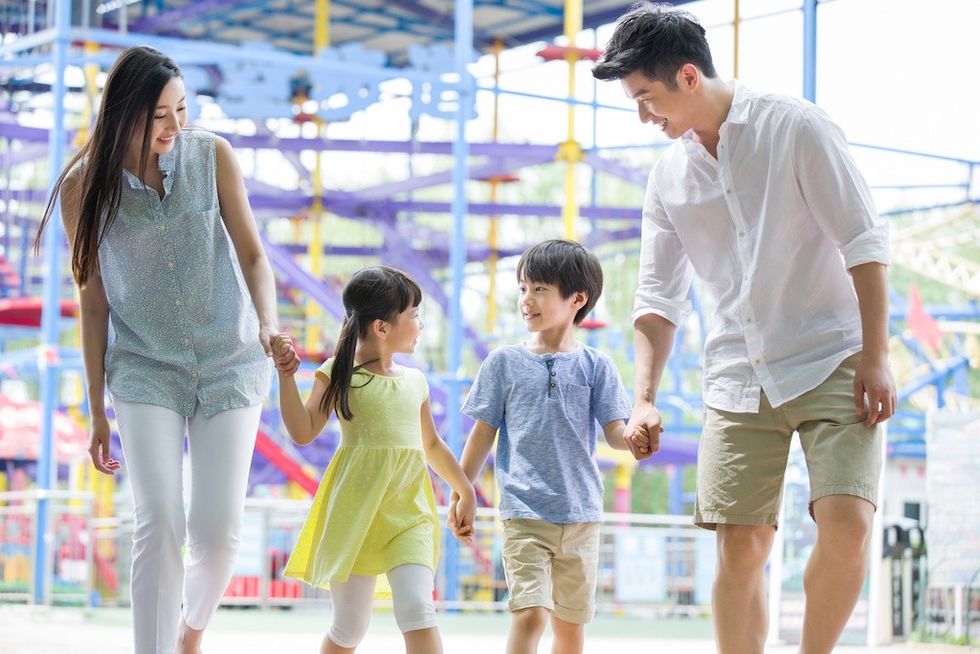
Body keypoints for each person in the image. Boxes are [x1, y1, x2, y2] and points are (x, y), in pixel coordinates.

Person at [592, 5, 897, 653]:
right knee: (741, 548)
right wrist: (643, 397)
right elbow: (657, 298)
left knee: (846, 522)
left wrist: (878, 355)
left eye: (647, 98)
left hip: (833, 357)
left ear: (688, 76)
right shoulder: (668, 176)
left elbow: (864, 243)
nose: (644, 117)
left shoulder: (798, 129)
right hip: (735, 374)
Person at [34, 46, 297, 653]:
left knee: (218, 533)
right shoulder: (82, 190)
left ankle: (191, 631)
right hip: (144, 367)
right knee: (159, 523)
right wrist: (97, 408)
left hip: (231, 358)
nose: (176, 126)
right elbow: (93, 302)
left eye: (182, 109)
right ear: (124, 113)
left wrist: (267, 324)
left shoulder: (212, 155)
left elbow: (254, 255)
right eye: (160, 115)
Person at [448, 239, 650, 654]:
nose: (526, 299)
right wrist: (461, 491)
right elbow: (482, 434)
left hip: (582, 515)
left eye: (539, 289)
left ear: (577, 298)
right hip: (524, 513)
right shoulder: (502, 363)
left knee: (570, 628)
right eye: (523, 288)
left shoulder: (598, 366)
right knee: (531, 613)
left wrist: (633, 437)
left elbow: (614, 430)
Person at [271, 266, 476, 654]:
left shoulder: (415, 381)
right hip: (354, 518)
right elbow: (302, 431)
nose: (420, 323)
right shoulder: (338, 374)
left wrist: (464, 488)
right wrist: (285, 377)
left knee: (418, 608)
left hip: (409, 516)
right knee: (349, 629)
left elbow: (430, 445)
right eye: (414, 315)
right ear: (382, 327)